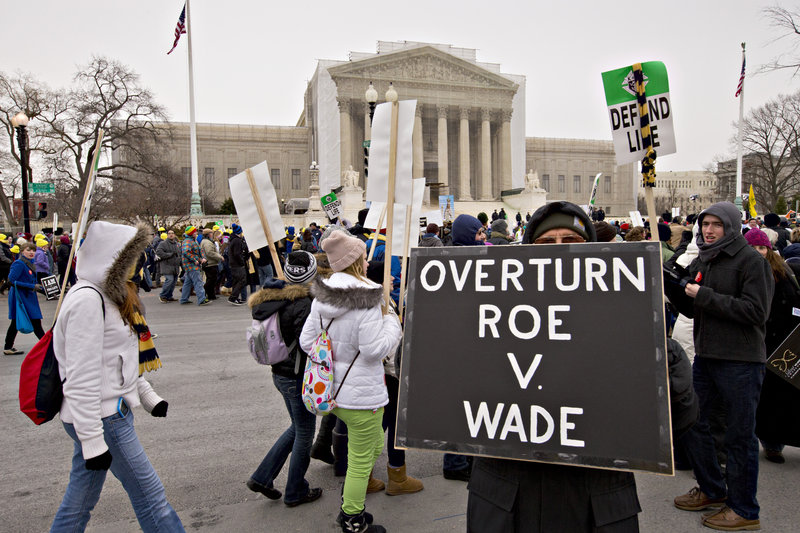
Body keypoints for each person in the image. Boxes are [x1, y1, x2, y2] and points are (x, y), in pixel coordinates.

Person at [466, 201, 641, 533]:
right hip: (506, 496)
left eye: (570, 242)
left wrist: (666, 360)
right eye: (547, 243)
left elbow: (676, 419)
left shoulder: (623, 315)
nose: (558, 252)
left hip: (595, 497)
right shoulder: (491, 307)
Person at [49, 221, 183, 532]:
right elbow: (80, 379)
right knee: (153, 501)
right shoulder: (87, 301)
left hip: (107, 413)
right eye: (131, 257)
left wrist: (147, 395)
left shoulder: (109, 296)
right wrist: (93, 440)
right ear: (113, 260)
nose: (139, 263)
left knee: (79, 502)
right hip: (103, 418)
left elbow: (117, 362)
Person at [666, 202, 773, 531]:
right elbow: (692, 304)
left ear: (731, 226)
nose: (709, 230)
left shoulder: (752, 262)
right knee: (692, 423)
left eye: (716, 224)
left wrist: (704, 295)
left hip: (741, 362)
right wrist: (675, 283)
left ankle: (744, 509)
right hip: (707, 356)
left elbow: (755, 312)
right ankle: (713, 489)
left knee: (739, 437)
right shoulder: (705, 258)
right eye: (705, 224)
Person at [300, 231, 402, 533]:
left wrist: (333, 356)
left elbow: (308, 340)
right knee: (362, 460)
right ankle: (351, 517)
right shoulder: (369, 297)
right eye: (364, 255)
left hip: (334, 391)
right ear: (356, 260)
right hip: (362, 394)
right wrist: (392, 322)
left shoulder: (322, 293)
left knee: (369, 450)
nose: (369, 260)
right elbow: (374, 351)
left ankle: (351, 502)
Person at [246, 251, 323, 506]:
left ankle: (262, 477)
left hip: (279, 373)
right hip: (297, 375)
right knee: (304, 433)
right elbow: (307, 342)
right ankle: (295, 490)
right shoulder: (303, 304)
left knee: (296, 427)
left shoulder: (272, 298)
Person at [744, 228, 800, 464]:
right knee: (762, 396)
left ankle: (775, 442)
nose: (758, 252)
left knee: (781, 395)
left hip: (782, 342)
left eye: (762, 247)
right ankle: (766, 441)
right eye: (753, 248)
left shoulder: (782, 271)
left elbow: (794, 301)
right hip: (756, 341)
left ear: (768, 248)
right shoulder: (743, 271)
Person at [4, 242, 46, 355]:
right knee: (35, 321)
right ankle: (48, 346)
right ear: (22, 251)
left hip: (28, 296)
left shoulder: (29, 263)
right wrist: (32, 286)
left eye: (33, 250)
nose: (31, 252)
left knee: (16, 322)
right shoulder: (19, 263)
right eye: (28, 250)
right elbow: (11, 281)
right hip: (21, 297)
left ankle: (8, 347)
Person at [179, 226, 210, 306]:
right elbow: (186, 252)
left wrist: (202, 258)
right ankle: (202, 299)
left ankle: (184, 299)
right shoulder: (188, 241)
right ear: (191, 233)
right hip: (191, 265)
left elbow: (199, 250)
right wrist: (197, 259)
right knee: (198, 282)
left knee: (188, 283)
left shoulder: (192, 240)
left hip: (189, 265)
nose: (196, 233)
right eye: (195, 232)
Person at [156, 230, 181, 303]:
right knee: (169, 280)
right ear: (167, 235)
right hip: (166, 265)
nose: (171, 235)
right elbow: (159, 253)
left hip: (175, 266)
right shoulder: (163, 244)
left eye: (172, 233)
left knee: (173, 282)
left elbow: (179, 253)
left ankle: (169, 296)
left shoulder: (177, 244)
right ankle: (162, 295)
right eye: (169, 233)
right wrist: (170, 254)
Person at [227, 224, 248, 305]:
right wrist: (242, 262)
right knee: (241, 280)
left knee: (236, 281)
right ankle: (233, 297)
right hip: (237, 264)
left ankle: (234, 297)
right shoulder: (237, 241)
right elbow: (237, 253)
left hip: (233, 264)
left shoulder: (232, 239)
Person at [200, 228, 223, 301]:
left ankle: (211, 295)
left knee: (211, 279)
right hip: (210, 263)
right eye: (211, 233)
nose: (212, 235)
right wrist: (219, 257)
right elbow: (209, 252)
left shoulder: (206, 241)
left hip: (210, 263)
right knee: (212, 280)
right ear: (208, 234)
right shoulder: (207, 242)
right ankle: (204, 292)